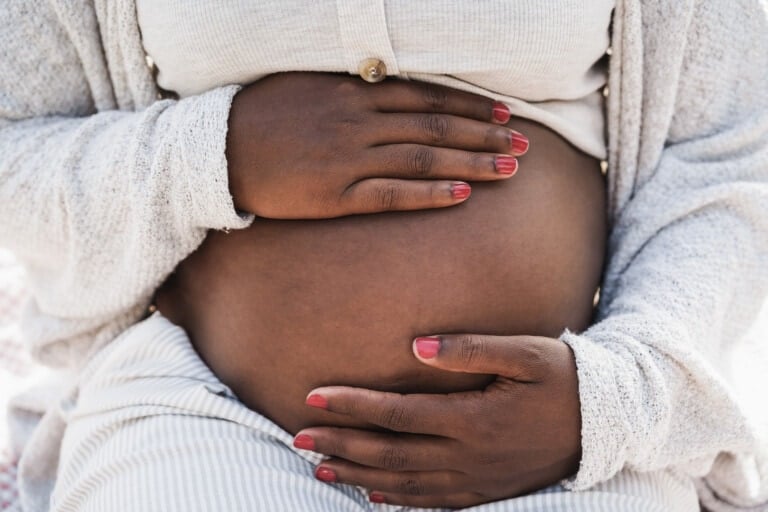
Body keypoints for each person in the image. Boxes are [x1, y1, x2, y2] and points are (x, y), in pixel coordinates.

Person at [0, 1, 766, 511]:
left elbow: (725, 156)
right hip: (203, 410)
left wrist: (607, 404)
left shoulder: (596, 415)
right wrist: (211, 153)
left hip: (568, 439)